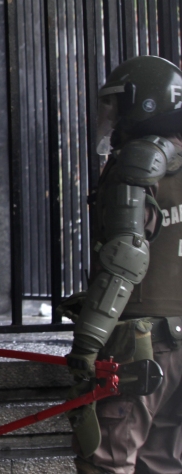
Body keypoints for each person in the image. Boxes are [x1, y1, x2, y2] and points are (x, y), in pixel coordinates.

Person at [64, 55, 182, 473]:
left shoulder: (137, 165)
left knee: (107, 459)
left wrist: (88, 339)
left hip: (140, 343)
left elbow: (125, 257)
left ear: (144, 104)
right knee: (164, 462)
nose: (110, 119)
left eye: (115, 106)